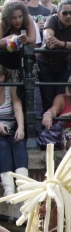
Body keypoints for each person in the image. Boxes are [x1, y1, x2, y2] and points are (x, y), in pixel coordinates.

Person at [38, 0, 71, 115]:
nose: (69, 16)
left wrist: (62, 44)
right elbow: (48, 36)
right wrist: (53, 39)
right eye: (65, 13)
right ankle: (48, 129)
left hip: (64, 63)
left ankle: (59, 127)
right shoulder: (52, 19)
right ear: (59, 13)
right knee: (48, 98)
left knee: (62, 96)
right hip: (46, 63)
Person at [0, 64, 26, 197]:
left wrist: (20, 127)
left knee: (19, 143)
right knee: (2, 146)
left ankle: (23, 186)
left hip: (10, 128)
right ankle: (9, 189)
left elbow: (17, 108)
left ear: (2, 77)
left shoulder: (11, 88)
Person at [0, 1, 34, 82]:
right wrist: (13, 38)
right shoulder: (2, 23)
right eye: (13, 18)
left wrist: (24, 39)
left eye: (20, 16)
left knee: (30, 91)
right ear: (8, 17)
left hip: (26, 64)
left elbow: (33, 39)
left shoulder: (28, 19)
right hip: (7, 65)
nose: (17, 20)